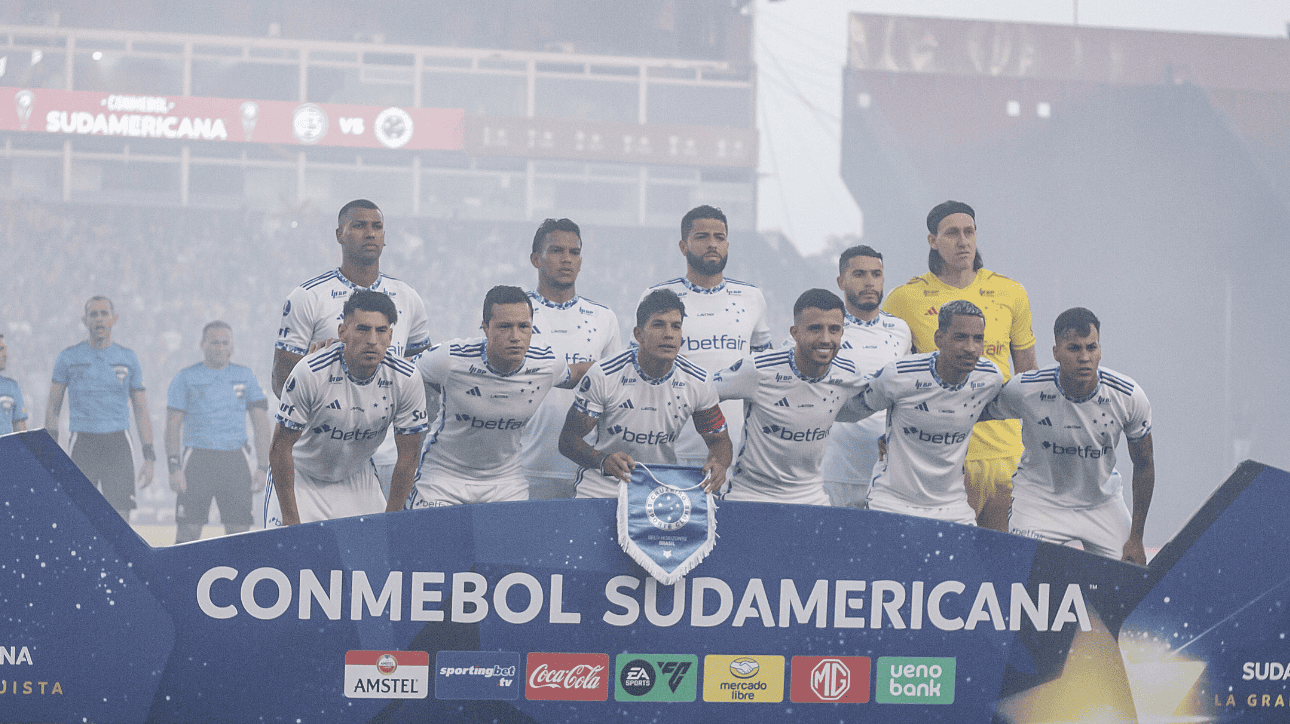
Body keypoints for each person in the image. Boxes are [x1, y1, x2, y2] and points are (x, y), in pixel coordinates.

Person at [883, 201, 1037, 530]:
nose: (963, 241)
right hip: (940, 458)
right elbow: (892, 381)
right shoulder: (904, 299)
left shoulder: (1011, 292)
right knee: (948, 564)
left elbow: (1029, 379)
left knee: (1002, 565)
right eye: (952, 233)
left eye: (969, 232)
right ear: (932, 241)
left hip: (1005, 455)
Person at [272, 199, 431, 495]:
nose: (370, 233)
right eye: (358, 226)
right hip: (324, 456)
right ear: (339, 234)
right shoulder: (308, 296)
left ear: (384, 238)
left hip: (390, 458)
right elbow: (281, 383)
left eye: (377, 227)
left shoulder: (408, 298)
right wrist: (309, 371)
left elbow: (424, 380)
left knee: (384, 541)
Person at [982, 308, 1155, 564]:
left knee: (1133, 585)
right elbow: (971, 412)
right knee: (1019, 576)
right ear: (1056, 353)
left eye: (1091, 347)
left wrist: (1136, 538)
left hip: (1101, 503)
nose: (1084, 357)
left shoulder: (1128, 396)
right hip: (1039, 501)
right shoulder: (1026, 389)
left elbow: (1144, 464)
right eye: (1074, 348)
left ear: (1100, 350)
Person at [407, 285, 590, 508]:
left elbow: (580, 373)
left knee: (510, 544)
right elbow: (400, 371)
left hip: (505, 482)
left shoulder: (547, 364)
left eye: (523, 326)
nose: (515, 336)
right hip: (443, 479)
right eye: (504, 327)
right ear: (485, 328)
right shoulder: (450, 358)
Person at [266, 291, 427, 526]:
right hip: (301, 476)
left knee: (376, 558)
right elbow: (279, 448)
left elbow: (409, 456)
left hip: (356, 477)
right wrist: (290, 518)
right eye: (363, 329)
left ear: (391, 336)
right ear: (343, 332)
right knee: (293, 557)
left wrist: (392, 521)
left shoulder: (407, 379)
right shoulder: (309, 372)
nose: (372, 340)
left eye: (381, 330)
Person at [559, 289, 732, 499]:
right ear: (638, 334)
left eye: (675, 326)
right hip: (603, 485)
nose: (668, 334)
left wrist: (719, 464)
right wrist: (602, 460)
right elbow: (568, 440)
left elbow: (719, 440)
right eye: (658, 324)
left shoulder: (698, 380)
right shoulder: (605, 374)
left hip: (660, 483)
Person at [849, 300, 1004, 525]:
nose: (971, 347)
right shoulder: (899, 374)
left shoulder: (990, 377)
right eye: (960, 337)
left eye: (977, 339)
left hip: (953, 507)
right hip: (892, 501)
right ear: (939, 338)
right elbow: (851, 409)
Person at [638, 205, 771, 466]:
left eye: (719, 238)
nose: (712, 244)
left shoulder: (752, 298)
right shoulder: (655, 296)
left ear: (727, 244)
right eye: (702, 237)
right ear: (683, 245)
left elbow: (763, 375)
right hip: (670, 452)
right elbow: (639, 371)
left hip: (734, 453)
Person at [712, 289, 868, 505]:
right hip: (750, 495)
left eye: (834, 330)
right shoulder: (758, 370)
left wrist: (887, 438)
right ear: (794, 333)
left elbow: (885, 398)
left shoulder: (849, 375)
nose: (825, 339)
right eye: (815, 329)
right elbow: (699, 394)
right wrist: (718, 447)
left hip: (811, 497)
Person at [519, 218, 622, 499]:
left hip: (589, 470)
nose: (566, 259)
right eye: (556, 251)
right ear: (535, 259)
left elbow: (616, 394)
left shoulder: (604, 318)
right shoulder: (515, 315)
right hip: (525, 469)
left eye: (574, 252)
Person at [819, 245, 912, 507]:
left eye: (876, 274)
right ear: (841, 281)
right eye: (859, 274)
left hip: (886, 474)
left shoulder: (900, 330)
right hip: (833, 472)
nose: (870, 282)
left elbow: (903, 396)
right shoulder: (823, 329)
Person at [46, 296, 155, 517]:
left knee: (121, 519)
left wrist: (149, 455)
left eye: (104, 313)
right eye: (93, 314)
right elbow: (53, 408)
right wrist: (50, 453)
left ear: (114, 319)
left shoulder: (128, 358)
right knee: (79, 516)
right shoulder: (68, 357)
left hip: (118, 443)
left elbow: (141, 410)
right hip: (83, 443)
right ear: (84, 320)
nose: (99, 319)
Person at [165, 321, 271, 543]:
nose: (220, 348)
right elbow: (173, 425)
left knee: (239, 533)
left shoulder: (246, 376)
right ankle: (180, 577)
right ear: (202, 344)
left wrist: (263, 467)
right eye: (215, 343)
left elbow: (261, 423)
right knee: (188, 532)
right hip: (197, 460)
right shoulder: (185, 377)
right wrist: (174, 466)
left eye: (225, 343)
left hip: (235, 460)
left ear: (232, 346)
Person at [0, 334, 28, 433]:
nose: (5, 354)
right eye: (0, 349)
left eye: (5, 349)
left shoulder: (12, 387)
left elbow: (21, 431)